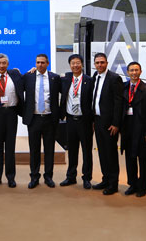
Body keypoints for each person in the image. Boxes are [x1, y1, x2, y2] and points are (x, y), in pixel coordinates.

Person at [21, 54, 61, 188]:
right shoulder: (28, 77)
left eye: (43, 62)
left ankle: (48, 177)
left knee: (49, 149)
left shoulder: (55, 78)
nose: (40, 65)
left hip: (50, 118)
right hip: (34, 119)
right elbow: (16, 84)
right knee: (34, 150)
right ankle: (34, 177)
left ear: (47, 64)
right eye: (38, 62)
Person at [0, 53, 24, 188]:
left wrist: (34, 69)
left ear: (8, 64)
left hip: (11, 113)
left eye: (4, 63)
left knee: (10, 147)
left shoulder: (15, 76)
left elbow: (28, 78)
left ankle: (11, 177)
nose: (2, 65)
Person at [91, 52, 124, 195]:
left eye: (102, 62)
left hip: (110, 124)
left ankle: (113, 184)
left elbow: (118, 102)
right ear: (94, 64)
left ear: (107, 63)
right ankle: (105, 179)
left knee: (111, 154)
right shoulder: (95, 77)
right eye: (97, 63)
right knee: (102, 153)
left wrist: (116, 123)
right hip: (98, 121)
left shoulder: (114, 78)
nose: (100, 65)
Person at [59, 53, 94, 189]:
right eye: (73, 63)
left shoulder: (89, 80)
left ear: (82, 64)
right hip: (70, 120)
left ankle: (87, 178)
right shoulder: (65, 79)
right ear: (69, 65)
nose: (75, 65)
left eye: (78, 63)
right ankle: (71, 177)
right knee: (72, 150)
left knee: (87, 151)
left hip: (84, 121)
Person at [120, 61, 146, 197]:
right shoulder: (123, 87)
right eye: (131, 70)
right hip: (127, 127)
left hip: (142, 128)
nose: (134, 73)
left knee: (143, 158)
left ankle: (143, 186)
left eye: (136, 70)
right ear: (127, 72)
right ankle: (132, 184)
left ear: (140, 72)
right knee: (130, 158)